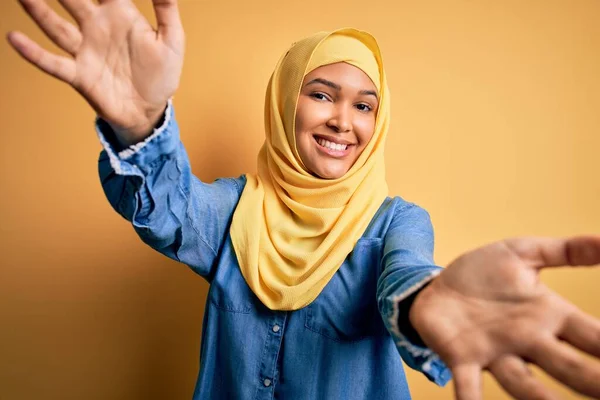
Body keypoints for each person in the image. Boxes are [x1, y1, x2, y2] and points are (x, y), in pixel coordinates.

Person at [6, 1, 600, 399]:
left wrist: (430, 301)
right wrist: (141, 125)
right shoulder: (234, 210)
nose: (343, 121)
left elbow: (408, 277)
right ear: (286, 100)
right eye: (322, 95)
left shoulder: (396, 223)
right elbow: (165, 208)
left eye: (364, 105)